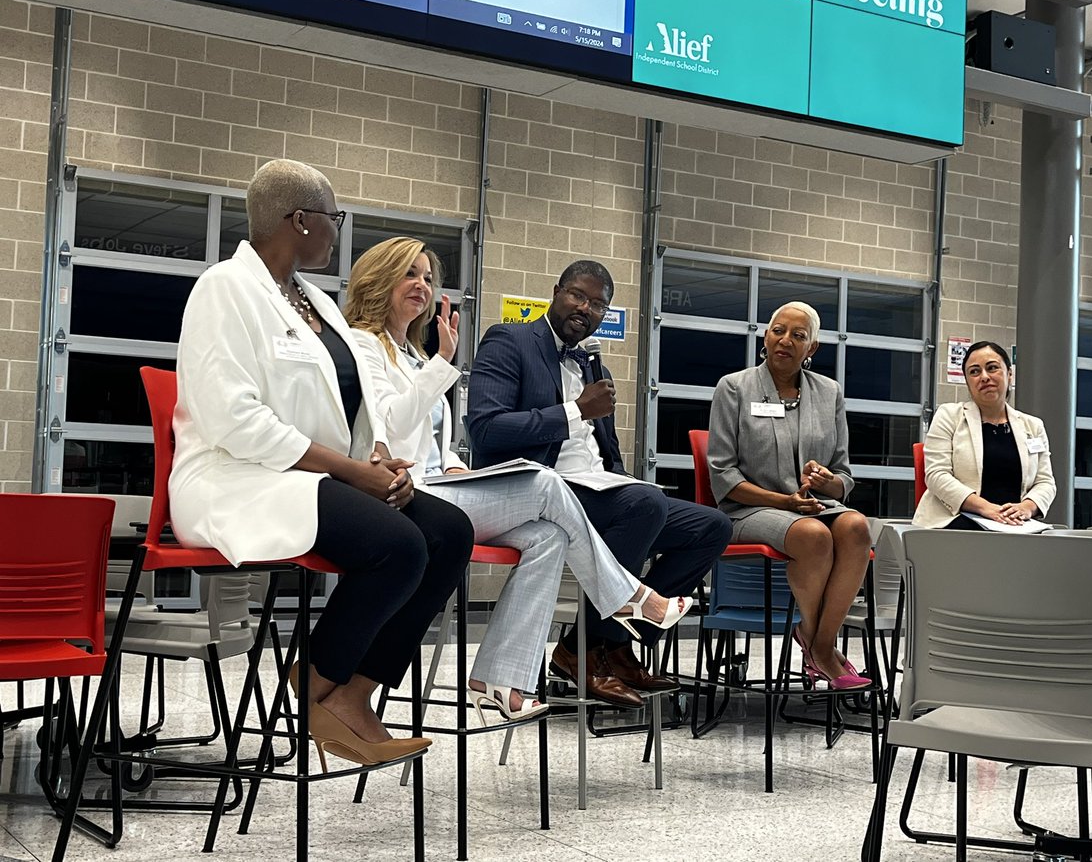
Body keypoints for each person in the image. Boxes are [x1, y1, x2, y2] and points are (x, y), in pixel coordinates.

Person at [170, 159, 474, 770]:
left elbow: (354, 408)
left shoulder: (317, 304)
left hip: (313, 476)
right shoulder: (225, 288)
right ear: (299, 219)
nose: (337, 233)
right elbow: (235, 419)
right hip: (237, 478)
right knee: (399, 545)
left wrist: (380, 459)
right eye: (332, 219)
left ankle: (355, 695)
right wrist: (350, 471)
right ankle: (310, 688)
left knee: (447, 533)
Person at [345, 238, 692, 714]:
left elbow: (438, 440)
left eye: (428, 277)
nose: (422, 285)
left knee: (549, 535)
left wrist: (452, 462)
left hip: (439, 485)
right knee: (544, 481)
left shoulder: (414, 355)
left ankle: (500, 679)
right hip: (401, 493)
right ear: (378, 279)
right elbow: (395, 429)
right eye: (410, 274)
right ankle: (626, 595)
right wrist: (444, 365)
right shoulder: (362, 347)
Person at [467, 260, 731, 700]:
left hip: (598, 488)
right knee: (642, 507)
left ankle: (605, 643)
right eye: (578, 296)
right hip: (537, 490)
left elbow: (606, 454)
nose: (585, 309)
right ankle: (590, 650)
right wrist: (576, 411)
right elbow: (486, 429)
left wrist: (628, 480)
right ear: (556, 292)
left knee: (711, 526)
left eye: (598, 306)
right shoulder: (509, 340)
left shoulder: (595, 367)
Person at [707, 301, 872, 690]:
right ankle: (823, 651)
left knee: (856, 526)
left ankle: (818, 643)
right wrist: (784, 502)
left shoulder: (829, 393)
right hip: (746, 510)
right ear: (766, 336)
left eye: (798, 336)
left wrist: (827, 480)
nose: (785, 340)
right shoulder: (734, 387)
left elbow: (844, 477)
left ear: (811, 348)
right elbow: (723, 476)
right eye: (778, 331)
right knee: (812, 535)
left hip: (814, 506)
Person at [913, 340, 1056, 529]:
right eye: (974, 371)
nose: (984, 377)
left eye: (992, 368)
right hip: (958, 520)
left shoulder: (1033, 426)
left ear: (1009, 374)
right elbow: (936, 475)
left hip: (1017, 524)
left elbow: (1045, 482)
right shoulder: (949, 416)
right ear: (967, 382)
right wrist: (987, 509)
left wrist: (1026, 508)